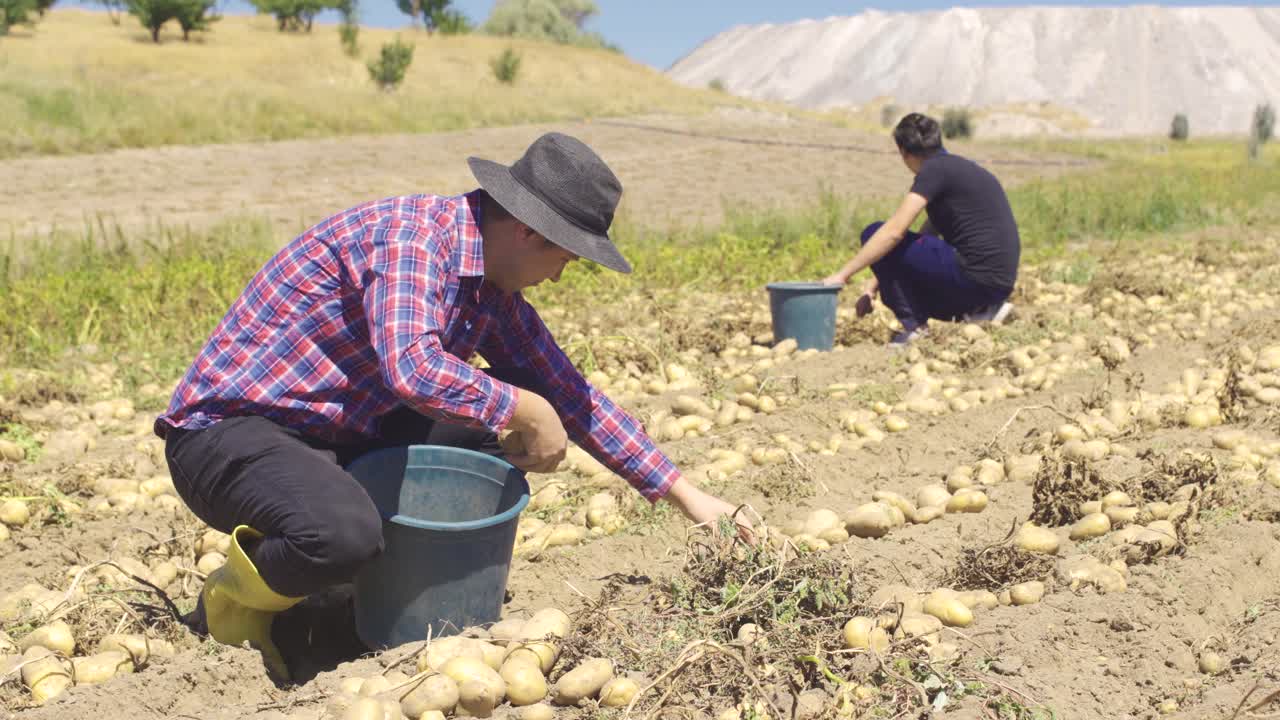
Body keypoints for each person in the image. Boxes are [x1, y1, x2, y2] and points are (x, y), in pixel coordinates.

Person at [155, 132, 748, 680]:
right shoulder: (412, 238)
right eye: (566, 257)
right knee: (340, 534)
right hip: (228, 434)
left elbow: (571, 397)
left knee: (485, 444)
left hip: (333, 436)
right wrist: (526, 407)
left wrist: (688, 497)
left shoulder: (492, 289)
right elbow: (412, 368)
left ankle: (377, 597)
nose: (562, 276)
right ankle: (234, 600)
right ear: (528, 231)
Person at [823, 112, 1020, 344]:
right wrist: (873, 286)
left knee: (873, 232)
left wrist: (842, 275)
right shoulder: (958, 169)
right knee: (899, 274)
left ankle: (916, 329)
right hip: (998, 284)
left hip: (975, 278)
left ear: (904, 152)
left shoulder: (933, 171)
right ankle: (980, 311)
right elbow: (924, 236)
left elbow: (894, 232)